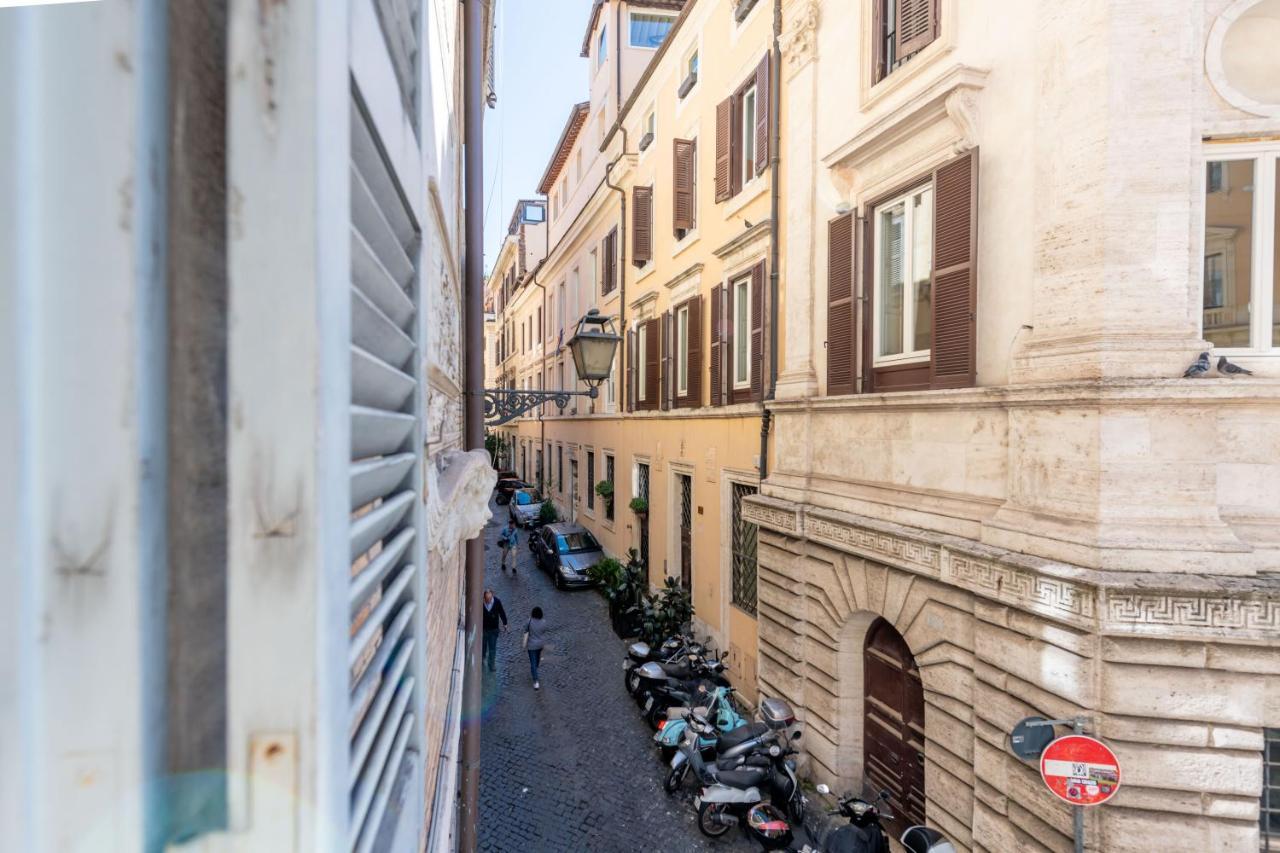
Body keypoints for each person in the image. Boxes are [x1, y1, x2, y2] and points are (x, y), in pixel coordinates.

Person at [481, 589, 508, 673]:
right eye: (486, 599)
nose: (488, 601)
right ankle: (483, 658)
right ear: (484, 597)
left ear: (492, 596)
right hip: (484, 629)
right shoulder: (481, 603)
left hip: (493, 630)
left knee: (492, 648)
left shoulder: (497, 602)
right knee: (483, 646)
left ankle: (491, 664)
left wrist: (505, 623)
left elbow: (502, 612)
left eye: (489, 599)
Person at [522, 606, 549, 690]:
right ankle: (535, 672)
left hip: (531, 645)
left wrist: (524, 644)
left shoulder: (529, 621)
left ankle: (536, 680)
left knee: (533, 663)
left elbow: (525, 630)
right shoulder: (544, 622)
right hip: (540, 645)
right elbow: (544, 630)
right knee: (537, 661)